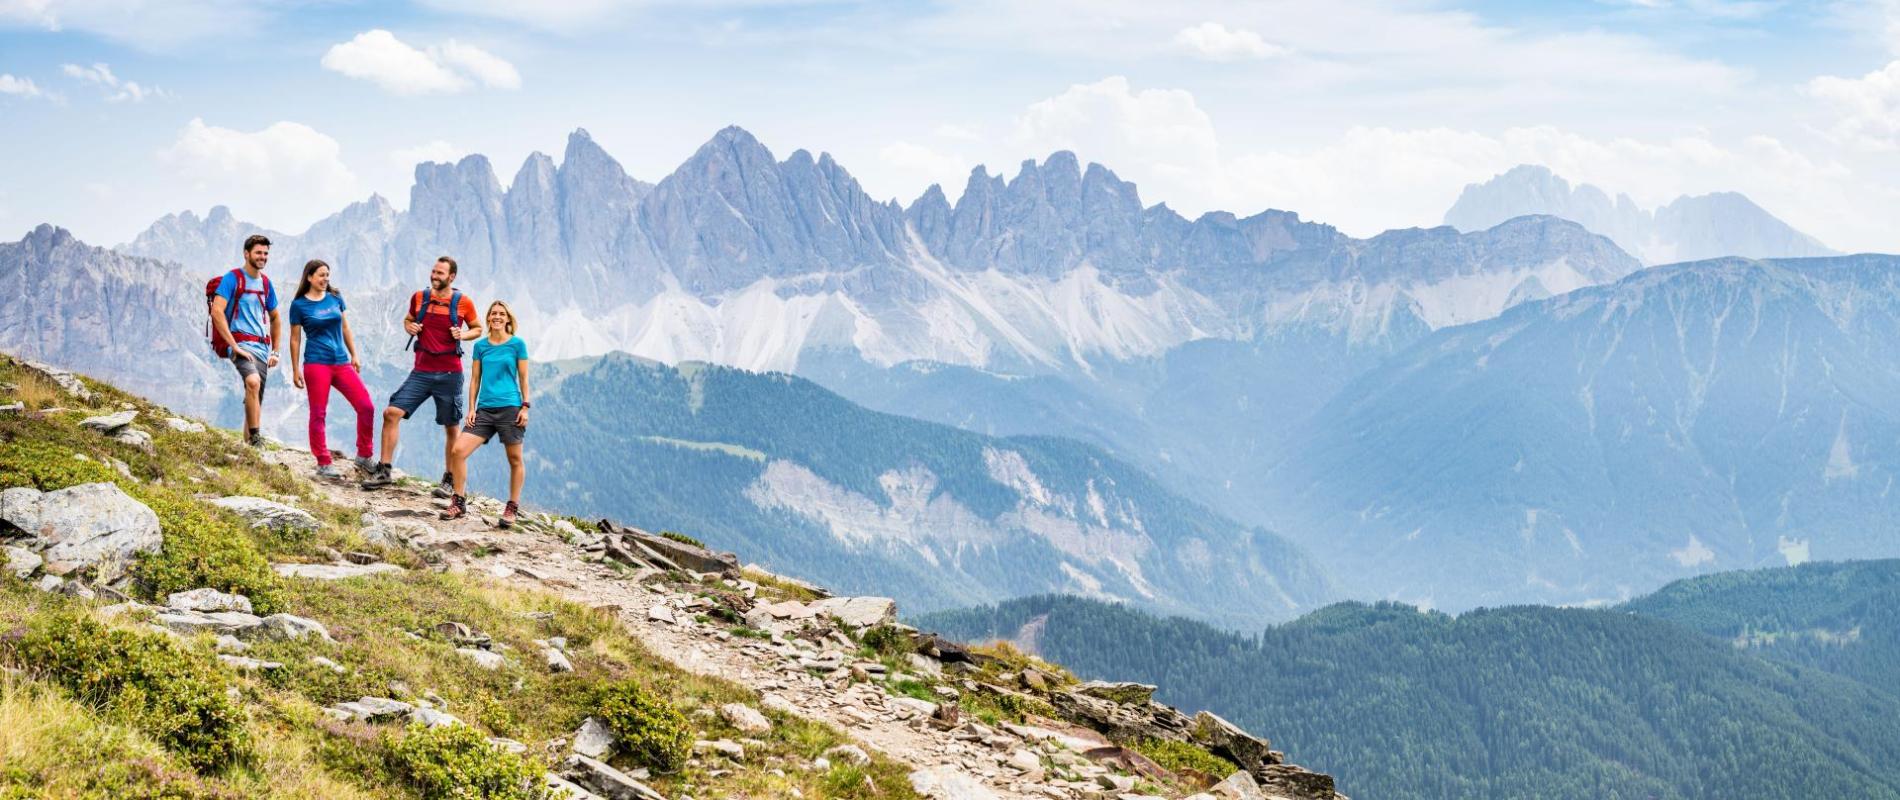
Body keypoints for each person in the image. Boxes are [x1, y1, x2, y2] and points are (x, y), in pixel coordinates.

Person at [360, 256, 481, 490]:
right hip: (421, 371)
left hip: (449, 373)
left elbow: (477, 328)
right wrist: (410, 327)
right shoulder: (420, 297)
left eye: (440, 273)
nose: (435, 276)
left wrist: (462, 335)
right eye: (433, 272)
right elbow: (408, 319)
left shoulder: (463, 302)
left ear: (452, 277)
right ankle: (384, 471)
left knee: (451, 427)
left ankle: (449, 479)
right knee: (391, 413)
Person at [441, 300, 530, 528]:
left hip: (511, 407)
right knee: (458, 451)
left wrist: (525, 406)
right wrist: (471, 409)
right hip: (484, 410)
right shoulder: (481, 346)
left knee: (515, 459)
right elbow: (475, 380)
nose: (497, 317)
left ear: (508, 319)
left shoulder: (517, 345)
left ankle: (512, 507)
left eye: (501, 314)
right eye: (493, 314)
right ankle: (458, 502)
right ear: (488, 318)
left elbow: (524, 379)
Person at [287, 259, 375, 480]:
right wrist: (295, 369)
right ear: (309, 277)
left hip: (342, 362)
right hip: (316, 363)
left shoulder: (335, 297)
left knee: (366, 406)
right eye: (321, 275)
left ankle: (364, 455)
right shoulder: (299, 305)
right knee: (318, 413)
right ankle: (323, 462)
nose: (325, 279)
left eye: (328, 274)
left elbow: (345, 327)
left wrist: (354, 354)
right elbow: (295, 339)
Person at [209, 234, 282, 447]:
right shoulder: (232, 278)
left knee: (255, 397)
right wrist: (233, 346)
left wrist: (275, 351)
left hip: (261, 348)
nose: (263, 257)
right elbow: (217, 311)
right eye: (258, 252)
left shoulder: (266, 284)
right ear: (246, 253)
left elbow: (276, 317)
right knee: (252, 382)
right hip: (240, 345)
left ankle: (251, 446)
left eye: (266, 253)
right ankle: (258, 438)